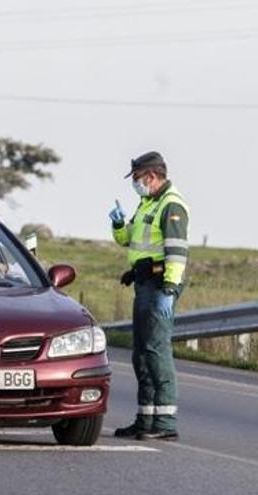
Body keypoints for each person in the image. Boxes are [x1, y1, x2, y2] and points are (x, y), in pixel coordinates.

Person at [110, 151, 189, 442]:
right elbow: (129, 240)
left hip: (160, 287)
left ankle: (165, 422)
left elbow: (177, 251)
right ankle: (145, 420)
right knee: (141, 354)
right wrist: (119, 225)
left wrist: (169, 289)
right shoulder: (147, 203)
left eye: (137, 178)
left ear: (151, 176)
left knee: (157, 352)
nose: (135, 184)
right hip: (145, 284)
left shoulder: (172, 205)